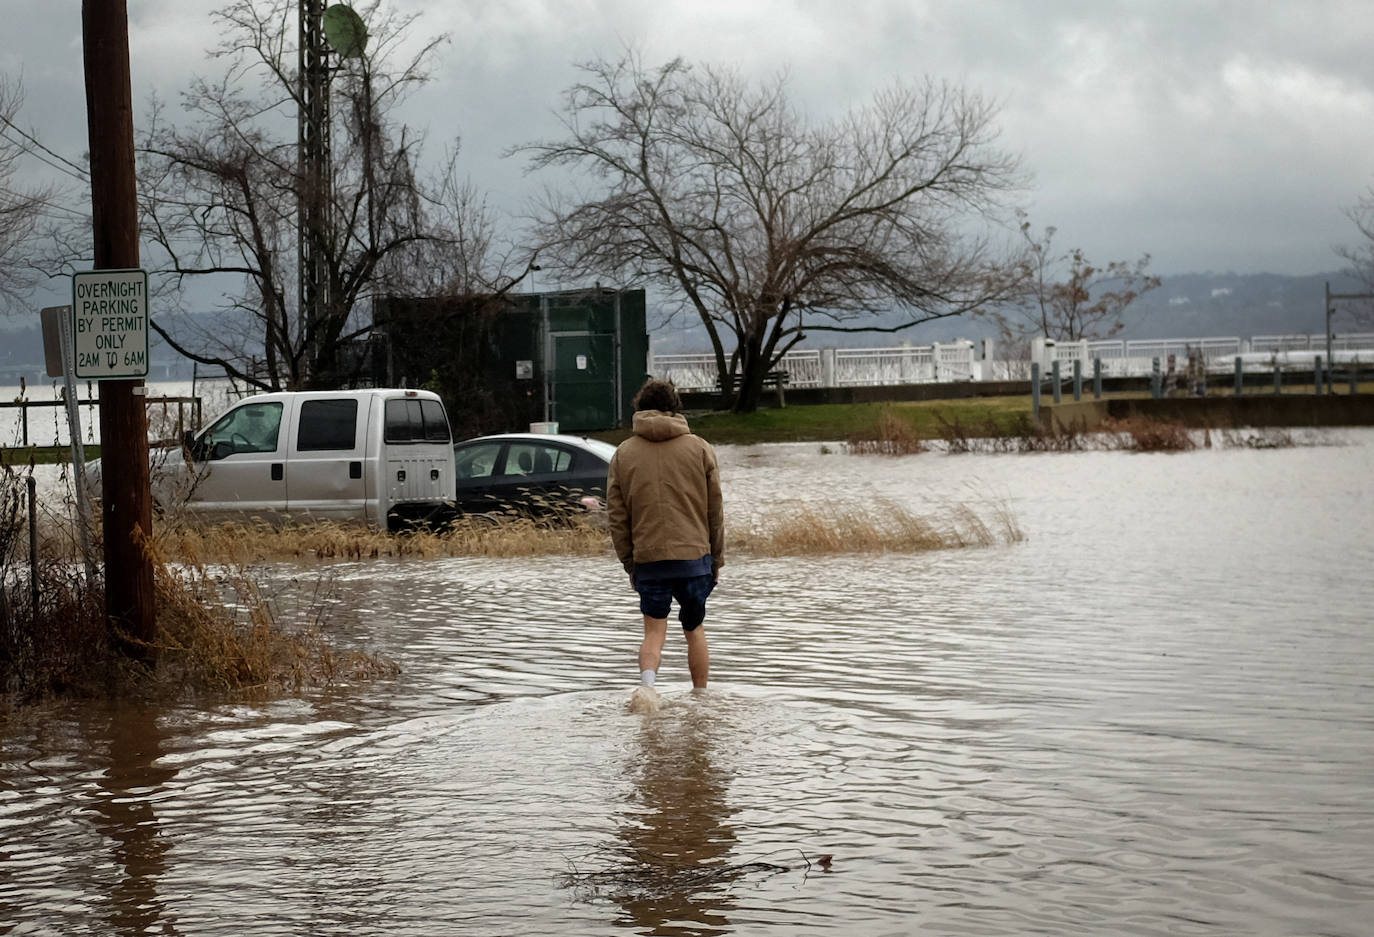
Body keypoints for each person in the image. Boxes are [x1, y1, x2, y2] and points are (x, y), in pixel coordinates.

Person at [607, 378, 724, 693]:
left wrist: (630, 563)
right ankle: (700, 698)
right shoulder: (700, 448)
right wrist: (717, 557)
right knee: (694, 629)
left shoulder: (623, 454)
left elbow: (617, 518)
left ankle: (647, 691)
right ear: (675, 408)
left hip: (649, 559)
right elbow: (715, 511)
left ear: (639, 408)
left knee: (653, 633)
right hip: (695, 558)